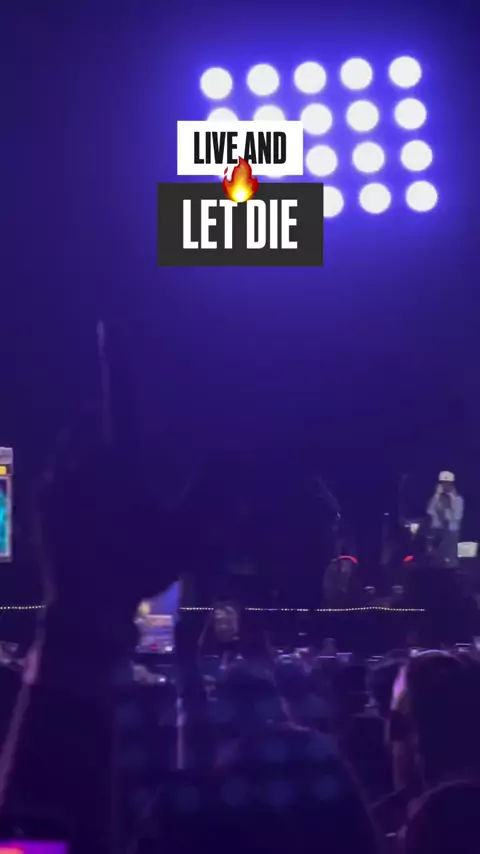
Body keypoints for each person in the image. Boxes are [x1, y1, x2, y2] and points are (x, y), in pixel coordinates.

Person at [426, 471, 463, 568]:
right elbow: (429, 510)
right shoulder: (436, 499)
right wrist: (436, 495)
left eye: (448, 484)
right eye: (443, 484)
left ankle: (451, 570)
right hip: (437, 532)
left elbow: (457, 517)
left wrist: (451, 500)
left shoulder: (458, 499)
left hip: (451, 532)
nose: (445, 487)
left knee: (450, 557)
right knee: (436, 558)